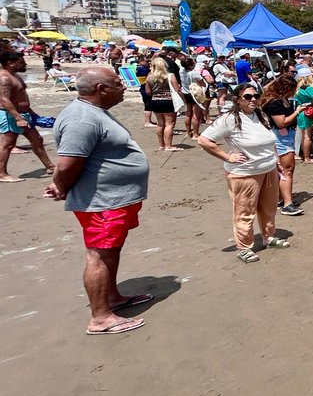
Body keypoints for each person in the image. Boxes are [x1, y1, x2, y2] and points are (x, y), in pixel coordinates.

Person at [44, 67, 152, 335]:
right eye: (117, 83)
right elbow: (68, 163)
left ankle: (112, 298)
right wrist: (59, 185)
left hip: (113, 200)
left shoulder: (93, 113)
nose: (124, 85)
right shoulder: (82, 119)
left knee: (110, 250)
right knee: (99, 254)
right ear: (101, 89)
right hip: (101, 201)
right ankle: (101, 318)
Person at [197, 83, 289, 263]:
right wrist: (227, 156)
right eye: (248, 97)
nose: (253, 99)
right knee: (245, 211)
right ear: (237, 100)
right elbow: (204, 140)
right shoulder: (228, 119)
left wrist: (276, 160)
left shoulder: (260, 115)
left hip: (268, 169)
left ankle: (268, 237)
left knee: (269, 208)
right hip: (244, 174)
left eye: (255, 95)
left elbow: (269, 141)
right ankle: (244, 247)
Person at [0, 51, 56, 181]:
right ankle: (2, 174)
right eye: (21, 62)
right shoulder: (4, 78)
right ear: (10, 63)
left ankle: (50, 166)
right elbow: (4, 100)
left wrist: (32, 113)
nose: (25, 64)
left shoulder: (14, 76)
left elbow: (20, 98)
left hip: (24, 114)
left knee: (37, 140)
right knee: (7, 144)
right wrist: (18, 118)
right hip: (11, 115)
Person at [260, 71, 304, 216]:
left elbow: (267, 87)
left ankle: (282, 198)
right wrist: (297, 112)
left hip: (285, 136)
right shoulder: (275, 102)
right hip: (281, 137)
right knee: (287, 170)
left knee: (283, 171)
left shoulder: (279, 99)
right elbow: (281, 123)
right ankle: (287, 204)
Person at [142, 57, 184, 152]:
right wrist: (183, 99)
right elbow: (177, 89)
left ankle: (161, 145)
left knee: (160, 124)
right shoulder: (169, 76)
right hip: (168, 101)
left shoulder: (150, 77)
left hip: (155, 101)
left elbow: (148, 92)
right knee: (169, 124)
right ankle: (168, 146)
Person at [178, 57, 207, 140]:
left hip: (185, 92)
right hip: (194, 93)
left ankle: (188, 131)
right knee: (196, 115)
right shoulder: (194, 73)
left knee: (188, 113)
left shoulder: (181, 71)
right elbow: (203, 83)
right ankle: (195, 134)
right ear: (191, 65)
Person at [293, 72, 313, 164]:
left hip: (301, 112)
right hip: (308, 112)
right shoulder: (308, 88)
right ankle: (307, 157)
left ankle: (305, 154)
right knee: (308, 136)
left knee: (304, 136)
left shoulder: (298, 88)